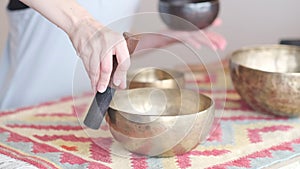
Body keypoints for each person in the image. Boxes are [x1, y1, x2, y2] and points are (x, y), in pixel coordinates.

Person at [0, 0, 226, 110]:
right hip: (21, 115)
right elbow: (90, 32)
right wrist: (82, 24)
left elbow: (109, 46)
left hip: (77, 112)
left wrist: (162, 37)